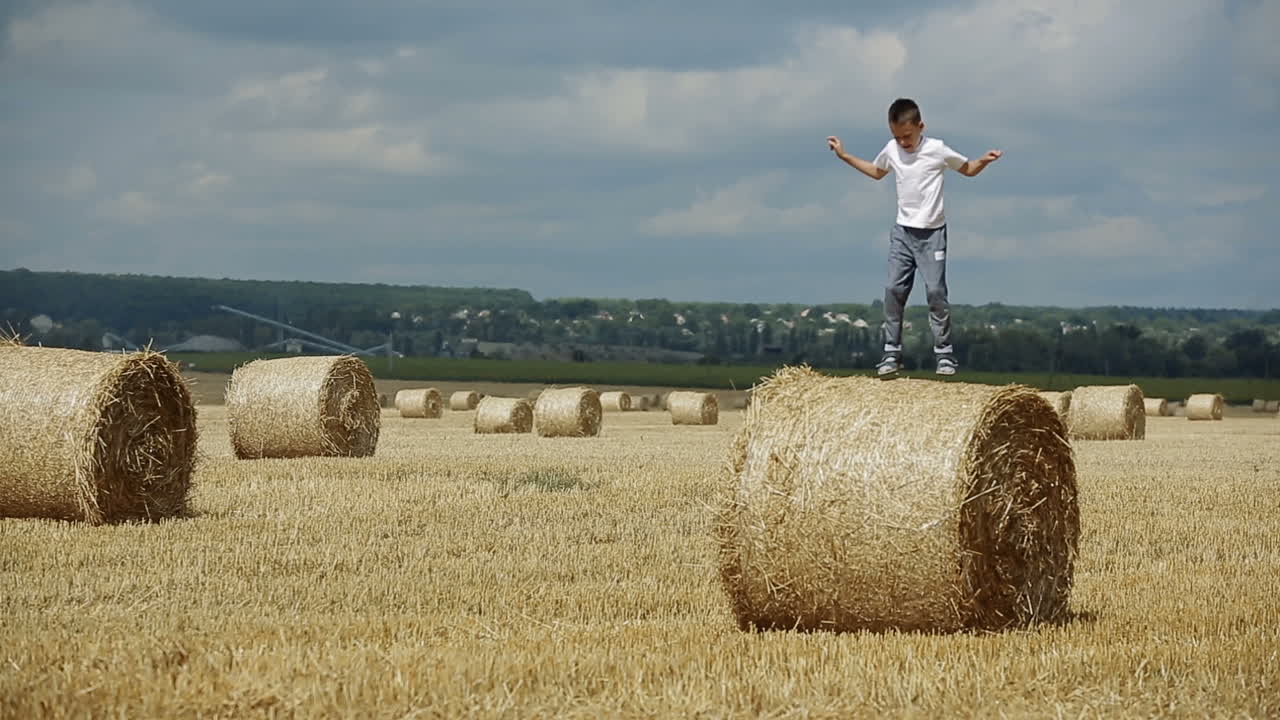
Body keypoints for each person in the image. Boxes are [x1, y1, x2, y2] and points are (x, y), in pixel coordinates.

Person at [827, 98, 1002, 377]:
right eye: (897, 137)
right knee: (893, 291)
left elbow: (967, 169)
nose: (903, 143)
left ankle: (944, 355)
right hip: (902, 233)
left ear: (921, 126)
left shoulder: (937, 149)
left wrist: (984, 160)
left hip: (932, 234)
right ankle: (891, 353)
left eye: (907, 136)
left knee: (935, 292)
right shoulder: (891, 150)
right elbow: (876, 171)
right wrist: (844, 156)